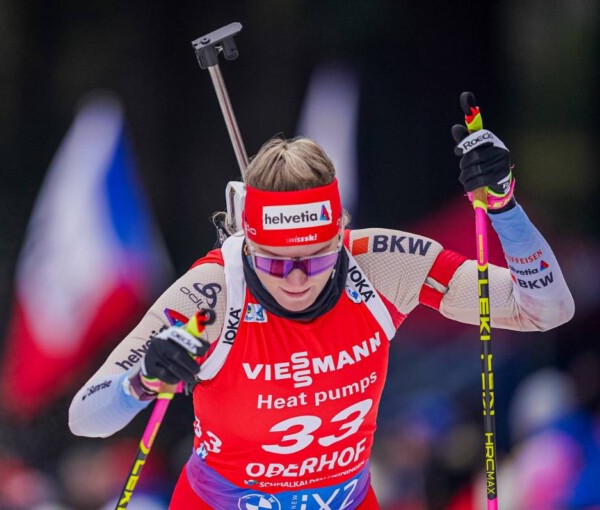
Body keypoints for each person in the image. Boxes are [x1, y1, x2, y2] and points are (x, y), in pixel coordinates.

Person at [68, 109, 574, 509]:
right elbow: (85, 418)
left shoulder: (380, 267)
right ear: (246, 240)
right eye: (274, 261)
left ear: (340, 235)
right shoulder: (212, 296)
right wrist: (141, 382)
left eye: (317, 259)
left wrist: (503, 205)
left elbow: (545, 309)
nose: (296, 279)